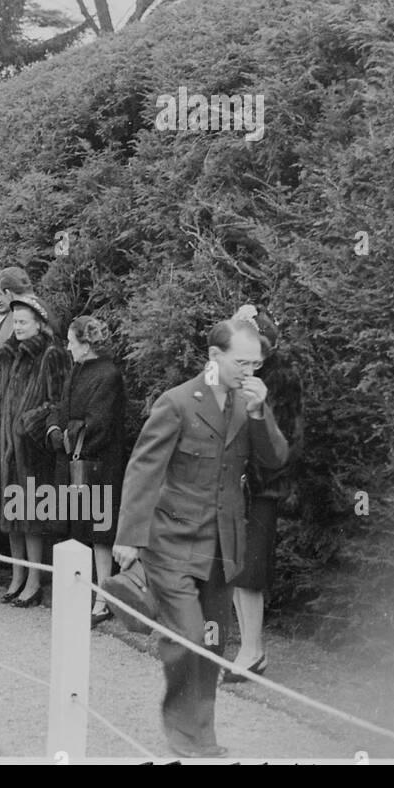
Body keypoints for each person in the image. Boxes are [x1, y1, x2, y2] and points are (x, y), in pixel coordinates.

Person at [113, 317, 290, 758]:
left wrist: (260, 412)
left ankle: (202, 735)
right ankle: (181, 732)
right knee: (188, 636)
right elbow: (143, 469)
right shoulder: (176, 403)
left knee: (211, 641)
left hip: (222, 545)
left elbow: (275, 461)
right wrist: (129, 537)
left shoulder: (246, 404)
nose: (250, 372)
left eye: (256, 364)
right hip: (170, 541)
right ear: (214, 357)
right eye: (241, 362)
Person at [224, 306, 304, 683]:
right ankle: (248, 648)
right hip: (235, 482)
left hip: (262, 486)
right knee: (237, 568)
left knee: (250, 571)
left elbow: (286, 440)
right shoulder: (238, 371)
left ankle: (253, 651)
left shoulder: (282, 378)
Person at [47, 315, 128, 626]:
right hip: (76, 460)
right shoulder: (77, 369)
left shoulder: (108, 375)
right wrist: (56, 428)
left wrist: (66, 435)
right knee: (78, 530)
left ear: (86, 343)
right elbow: (62, 407)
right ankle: (79, 595)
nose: (68, 347)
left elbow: (100, 424)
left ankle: (103, 598)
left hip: (99, 462)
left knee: (100, 533)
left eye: (71, 341)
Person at [0, 292, 71, 608]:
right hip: (8, 447)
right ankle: (17, 575)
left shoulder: (52, 354)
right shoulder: (11, 354)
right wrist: (0, 425)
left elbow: (58, 402)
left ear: (40, 324)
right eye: (16, 321)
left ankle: (35, 580)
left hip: (33, 450)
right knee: (12, 516)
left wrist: (28, 424)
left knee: (31, 516)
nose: (18, 326)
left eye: (24, 321)